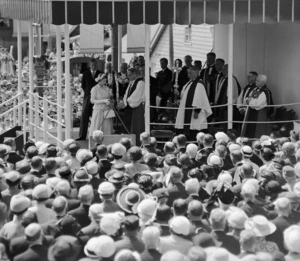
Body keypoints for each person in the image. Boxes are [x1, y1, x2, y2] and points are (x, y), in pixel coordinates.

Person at [175, 66, 212, 140]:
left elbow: (200, 99)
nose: (188, 75)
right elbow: (185, 95)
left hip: (194, 113)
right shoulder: (189, 83)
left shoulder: (199, 84)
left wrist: (197, 111)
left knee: (195, 129)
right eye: (188, 73)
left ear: (196, 73)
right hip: (186, 110)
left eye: (190, 73)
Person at [117, 68, 145, 146]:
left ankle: (137, 143)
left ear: (135, 74)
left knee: (136, 126)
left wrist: (126, 101)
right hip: (129, 106)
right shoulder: (131, 83)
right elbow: (126, 94)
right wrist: (124, 102)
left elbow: (136, 95)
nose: (128, 77)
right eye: (128, 75)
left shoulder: (141, 83)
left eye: (130, 75)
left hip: (137, 106)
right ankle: (130, 143)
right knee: (129, 126)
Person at [77, 59, 102, 140]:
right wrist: (88, 93)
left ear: (97, 65)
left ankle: (97, 136)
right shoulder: (86, 73)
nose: (94, 66)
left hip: (97, 97)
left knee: (98, 116)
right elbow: (83, 86)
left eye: (95, 65)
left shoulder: (100, 74)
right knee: (84, 115)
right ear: (90, 65)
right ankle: (82, 136)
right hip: (87, 96)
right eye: (92, 65)